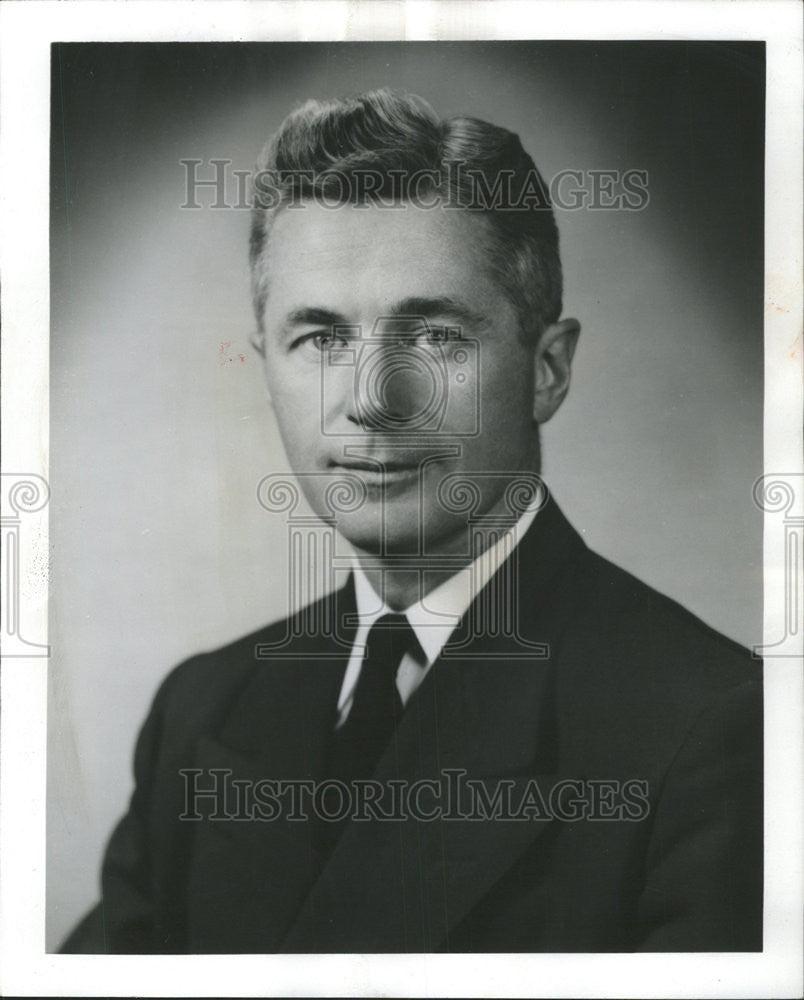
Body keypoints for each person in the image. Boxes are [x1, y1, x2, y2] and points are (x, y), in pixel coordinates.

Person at [62, 89, 762, 954]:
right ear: (265, 367)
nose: (371, 401)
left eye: (432, 335)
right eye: (321, 339)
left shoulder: (716, 731)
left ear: (547, 370)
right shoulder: (201, 713)